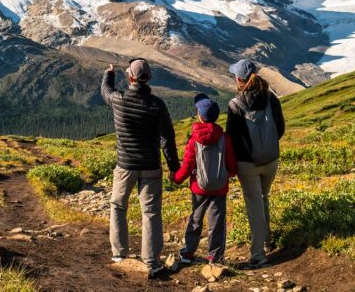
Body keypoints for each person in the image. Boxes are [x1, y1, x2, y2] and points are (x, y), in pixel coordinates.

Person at [101, 58, 180, 279]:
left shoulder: (119, 99)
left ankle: (119, 253)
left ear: (130, 77)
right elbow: (167, 139)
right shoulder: (157, 105)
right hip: (151, 166)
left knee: (118, 205)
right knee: (151, 212)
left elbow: (106, 91)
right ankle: (152, 261)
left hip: (125, 165)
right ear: (149, 78)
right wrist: (175, 167)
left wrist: (109, 74)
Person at [225, 59, 285, 268]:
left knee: (255, 206)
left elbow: (231, 138)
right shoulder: (271, 99)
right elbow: (281, 128)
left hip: (248, 164)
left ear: (239, 79)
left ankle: (258, 255)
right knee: (264, 197)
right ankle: (266, 241)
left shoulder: (235, 104)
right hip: (271, 160)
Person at [172, 94, 237, 265]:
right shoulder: (225, 138)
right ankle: (215, 257)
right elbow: (231, 164)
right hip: (220, 186)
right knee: (217, 221)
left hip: (199, 187)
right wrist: (229, 173)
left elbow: (187, 165)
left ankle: (188, 252)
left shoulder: (193, 140)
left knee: (195, 218)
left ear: (200, 116)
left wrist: (177, 178)